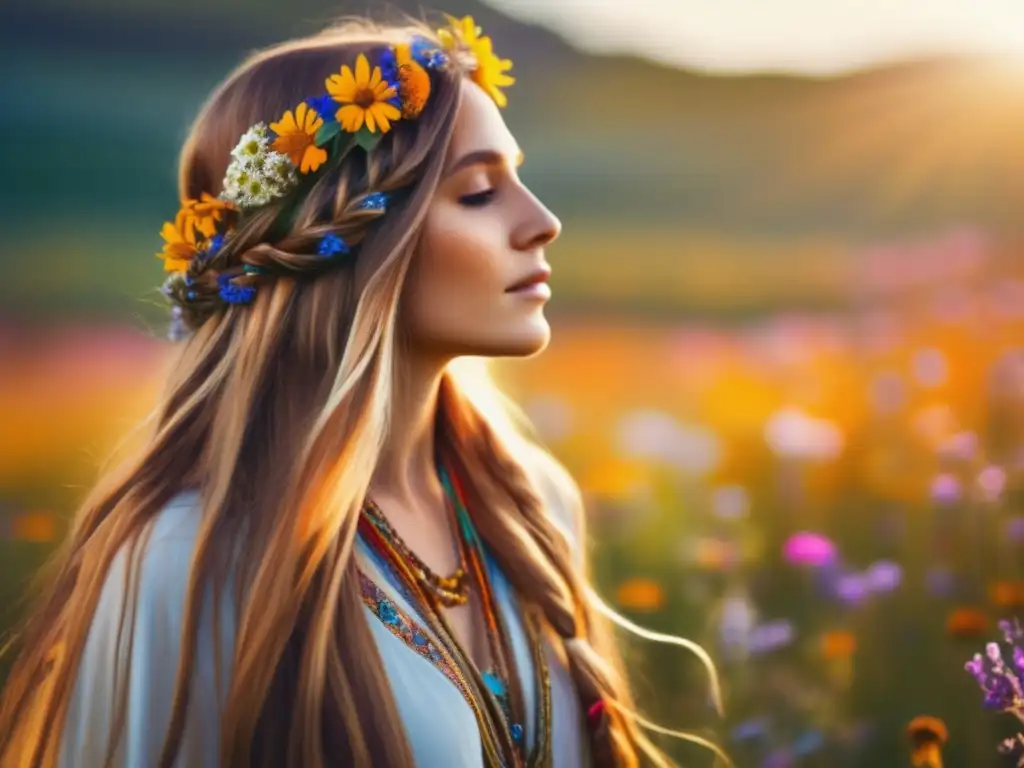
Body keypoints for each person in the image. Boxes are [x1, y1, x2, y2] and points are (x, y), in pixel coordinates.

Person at [0, 15, 722, 768]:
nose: (543, 222)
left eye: (518, 177)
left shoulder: (534, 504)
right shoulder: (191, 559)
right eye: (478, 193)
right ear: (343, 238)